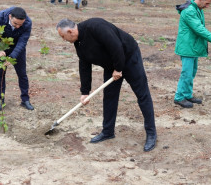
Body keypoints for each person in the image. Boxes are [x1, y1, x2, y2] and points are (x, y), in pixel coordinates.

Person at [56, 18, 157, 152]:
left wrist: (119, 68)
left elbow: (116, 46)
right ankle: (108, 131)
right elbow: (84, 66)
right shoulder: (79, 43)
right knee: (109, 97)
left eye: (63, 36)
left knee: (142, 94)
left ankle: (151, 133)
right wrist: (85, 92)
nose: (64, 39)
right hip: (111, 65)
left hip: (128, 57)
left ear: (70, 31)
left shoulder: (96, 26)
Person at [174, 0, 211, 108]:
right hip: (187, 47)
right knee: (186, 73)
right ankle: (179, 97)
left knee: (192, 72)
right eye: (206, 3)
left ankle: (187, 94)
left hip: (193, 46)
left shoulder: (198, 9)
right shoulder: (189, 11)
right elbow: (199, 29)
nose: (207, 6)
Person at [0, 7, 34, 111]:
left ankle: (25, 100)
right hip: (1, 48)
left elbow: (22, 41)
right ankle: (0, 101)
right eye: (15, 23)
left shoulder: (27, 23)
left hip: (18, 50)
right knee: (0, 75)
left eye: (20, 24)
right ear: (10, 17)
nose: (18, 26)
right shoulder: (0, 17)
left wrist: (12, 57)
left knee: (22, 74)